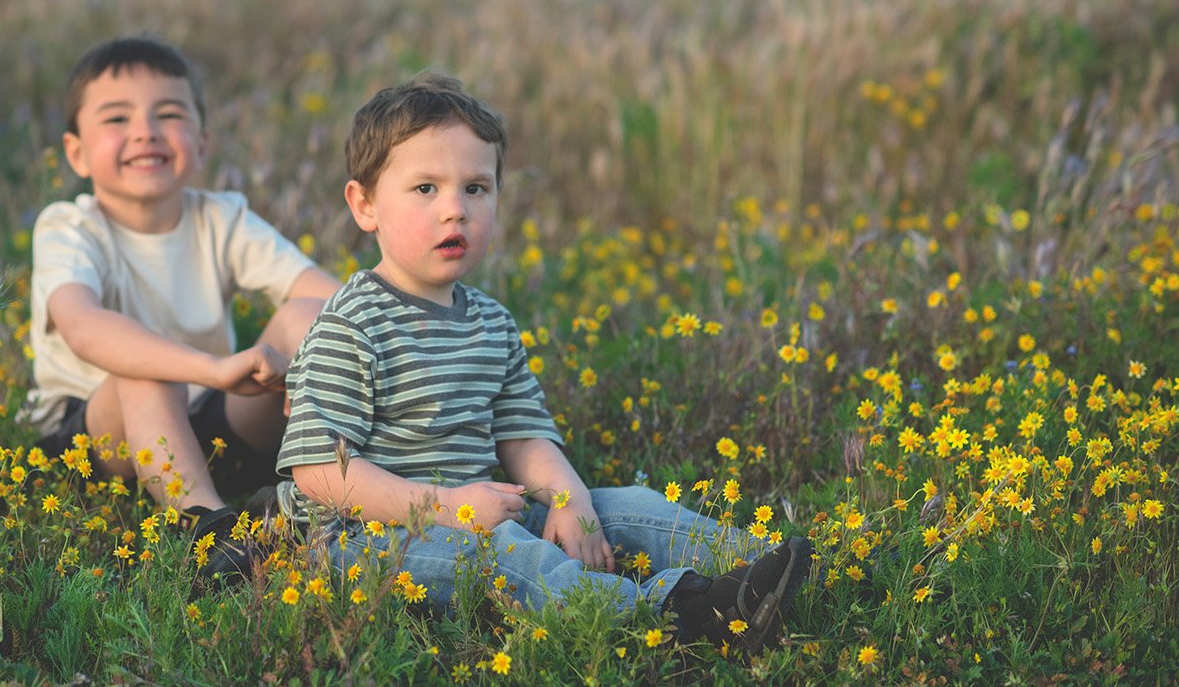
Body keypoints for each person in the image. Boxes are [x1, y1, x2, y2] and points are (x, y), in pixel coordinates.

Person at [274, 73, 810, 652]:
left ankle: (766, 570)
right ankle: (670, 618)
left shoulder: (490, 321)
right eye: (426, 188)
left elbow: (523, 436)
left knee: (630, 505)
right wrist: (449, 508)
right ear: (365, 205)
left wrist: (568, 499)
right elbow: (322, 474)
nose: (455, 210)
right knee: (516, 558)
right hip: (366, 538)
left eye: (476, 188)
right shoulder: (351, 324)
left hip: (479, 508)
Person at [23, 35, 339, 541]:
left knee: (313, 316)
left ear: (203, 143)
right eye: (117, 118)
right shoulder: (69, 228)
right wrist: (213, 370)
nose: (146, 132)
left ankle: (350, 480)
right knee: (145, 370)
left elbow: (331, 297)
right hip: (102, 445)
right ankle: (208, 527)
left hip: (211, 431)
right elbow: (83, 327)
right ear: (76, 153)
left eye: (169, 114)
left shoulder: (223, 218)